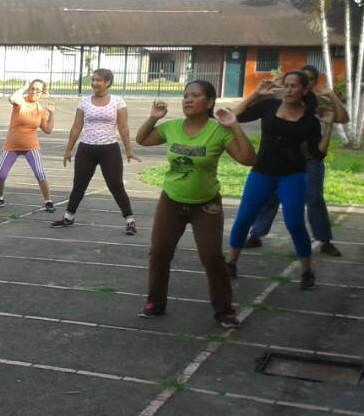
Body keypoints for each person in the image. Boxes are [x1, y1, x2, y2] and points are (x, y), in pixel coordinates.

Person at [135, 81, 257, 328]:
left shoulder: (218, 131)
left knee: (212, 256)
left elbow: (248, 159)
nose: (188, 100)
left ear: (209, 102)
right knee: (159, 252)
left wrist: (234, 126)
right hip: (171, 201)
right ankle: (155, 302)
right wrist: (153, 117)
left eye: (195, 95)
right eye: (185, 96)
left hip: (206, 205)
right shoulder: (172, 127)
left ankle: (224, 310)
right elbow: (143, 139)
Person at [227, 73, 333, 290]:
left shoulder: (310, 120)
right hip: (262, 172)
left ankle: (306, 271)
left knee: (295, 223)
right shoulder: (269, 106)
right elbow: (234, 116)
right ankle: (230, 263)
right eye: (287, 86)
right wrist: (256, 94)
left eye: (294, 86)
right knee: (244, 218)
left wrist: (329, 127)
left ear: (304, 90)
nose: (289, 90)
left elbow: (317, 154)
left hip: (293, 175)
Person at [243, 64, 347, 256]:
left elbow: (342, 118)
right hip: (281, 159)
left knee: (314, 198)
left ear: (310, 84)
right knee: (271, 196)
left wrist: (332, 95)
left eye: (309, 79)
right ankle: (256, 234)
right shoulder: (282, 98)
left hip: (311, 159)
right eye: (291, 83)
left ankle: (324, 239)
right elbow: (246, 112)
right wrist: (258, 94)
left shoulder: (319, 101)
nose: (293, 87)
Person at [52, 69, 140, 234]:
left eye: (98, 80)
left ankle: (130, 221)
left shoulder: (118, 102)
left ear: (107, 82)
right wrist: (68, 150)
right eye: (93, 80)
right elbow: (77, 126)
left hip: (109, 149)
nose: (94, 83)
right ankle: (68, 217)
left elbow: (123, 127)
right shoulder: (84, 102)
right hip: (86, 149)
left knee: (116, 185)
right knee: (79, 184)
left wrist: (129, 150)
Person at [0, 80, 56, 212]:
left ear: (42, 93)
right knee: (1, 175)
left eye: (37, 90)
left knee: (40, 173)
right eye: (32, 88)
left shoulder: (40, 110)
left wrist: (52, 113)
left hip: (31, 146)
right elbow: (12, 98)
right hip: (12, 146)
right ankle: (0, 198)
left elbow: (48, 130)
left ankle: (48, 201)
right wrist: (24, 87)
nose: (34, 92)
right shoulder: (21, 102)